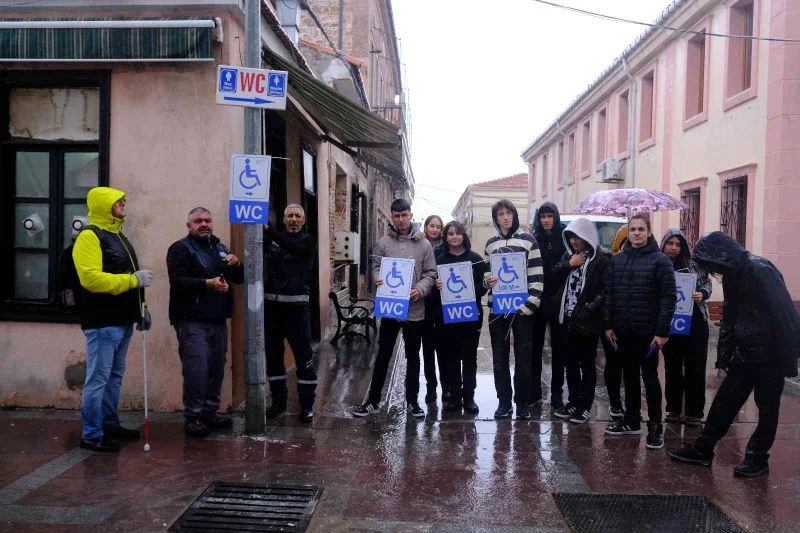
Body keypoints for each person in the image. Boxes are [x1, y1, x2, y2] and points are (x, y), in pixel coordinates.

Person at [667, 232, 800, 477]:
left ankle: (758, 458)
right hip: (746, 353)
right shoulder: (733, 273)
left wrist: (790, 357)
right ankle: (703, 450)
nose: (714, 271)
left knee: (767, 407)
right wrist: (725, 355)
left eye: (713, 265)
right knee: (725, 402)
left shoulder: (760, 270)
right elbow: (730, 316)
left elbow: (785, 316)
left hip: (770, 356)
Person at [72, 187, 152, 452]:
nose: (123, 204)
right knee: (98, 379)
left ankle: (109, 424)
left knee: (114, 377)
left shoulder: (118, 235)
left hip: (123, 319)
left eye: (124, 201)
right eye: (118, 201)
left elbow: (130, 275)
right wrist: (133, 280)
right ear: (104, 204)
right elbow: (91, 278)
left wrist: (142, 307)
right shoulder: (90, 236)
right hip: (102, 321)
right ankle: (92, 435)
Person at [353, 199, 437, 418]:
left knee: (413, 357)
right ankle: (373, 400)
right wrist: (377, 277)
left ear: (410, 215)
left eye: (404, 215)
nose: (401, 220)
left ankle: (412, 402)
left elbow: (430, 273)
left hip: (415, 310)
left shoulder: (424, 245)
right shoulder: (383, 243)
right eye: (397, 216)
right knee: (383, 354)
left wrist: (420, 289)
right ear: (392, 216)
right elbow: (375, 267)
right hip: (390, 308)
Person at [167, 207, 244, 438]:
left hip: (218, 319)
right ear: (189, 225)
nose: (204, 224)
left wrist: (236, 263)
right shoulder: (180, 248)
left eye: (207, 220)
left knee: (216, 368)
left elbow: (238, 280)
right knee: (196, 369)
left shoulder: (219, 248)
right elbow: (178, 281)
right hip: (191, 320)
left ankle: (210, 412)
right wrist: (207, 284)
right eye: (198, 221)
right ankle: (194, 416)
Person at [603, 213, 676, 449]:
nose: (636, 233)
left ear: (649, 232)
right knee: (630, 377)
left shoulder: (660, 260)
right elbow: (609, 294)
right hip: (624, 331)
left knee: (651, 379)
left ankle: (655, 426)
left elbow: (668, 297)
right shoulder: (617, 260)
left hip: (648, 334)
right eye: (633, 229)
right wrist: (608, 325)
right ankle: (632, 420)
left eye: (641, 229)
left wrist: (662, 331)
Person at [484, 199, 544, 420]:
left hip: (522, 312)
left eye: (509, 213)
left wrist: (527, 307)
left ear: (514, 215)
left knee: (523, 359)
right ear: (496, 218)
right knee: (499, 358)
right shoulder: (490, 243)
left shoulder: (529, 240)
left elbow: (537, 277)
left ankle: (522, 403)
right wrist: (486, 281)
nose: (505, 217)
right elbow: (485, 273)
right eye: (501, 214)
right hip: (498, 310)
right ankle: (504, 402)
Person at [551, 218, 609, 424]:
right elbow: (553, 277)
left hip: (587, 321)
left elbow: (604, 290)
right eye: (571, 237)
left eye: (578, 237)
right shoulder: (569, 256)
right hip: (566, 319)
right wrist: (569, 264)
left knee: (587, 364)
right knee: (570, 364)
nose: (574, 241)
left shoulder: (601, 261)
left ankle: (585, 405)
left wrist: (589, 309)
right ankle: (574, 401)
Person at [263, 204, 318, 423]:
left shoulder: (307, 241)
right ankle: (278, 403)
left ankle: (306, 406)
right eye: (290, 216)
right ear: (284, 219)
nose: (293, 219)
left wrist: (269, 231)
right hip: (272, 310)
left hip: (297, 311)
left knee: (304, 359)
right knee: (273, 358)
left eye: (298, 216)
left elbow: (295, 248)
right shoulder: (274, 240)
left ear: (303, 221)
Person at [435, 221, 488, 413]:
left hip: (470, 316)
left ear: (464, 236)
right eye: (450, 234)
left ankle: (469, 398)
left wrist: (477, 288)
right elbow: (435, 291)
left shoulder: (476, 259)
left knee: (470, 358)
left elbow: (483, 287)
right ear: (446, 238)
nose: (454, 237)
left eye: (458, 233)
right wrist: (437, 286)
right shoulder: (440, 260)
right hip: (448, 317)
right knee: (451, 358)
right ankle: (455, 397)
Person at [660, 228, 711, 427]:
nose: (673, 248)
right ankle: (673, 408)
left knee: (696, 368)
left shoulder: (694, 264)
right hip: (670, 323)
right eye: (670, 243)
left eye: (678, 244)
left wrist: (702, 294)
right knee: (672, 368)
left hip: (696, 321)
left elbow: (707, 283)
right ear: (663, 244)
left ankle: (694, 411)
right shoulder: (658, 264)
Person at [530, 202, 568, 411]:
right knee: (535, 348)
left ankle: (556, 394)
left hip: (559, 300)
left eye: (549, 216)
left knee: (560, 349)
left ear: (555, 217)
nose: (546, 220)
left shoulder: (565, 237)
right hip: (538, 300)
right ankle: (534, 392)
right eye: (543, 216)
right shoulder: (533, 238)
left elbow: (566, 267)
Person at [602, 224, 630, 420]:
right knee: (613, 364)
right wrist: (606, 324)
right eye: (624, 243)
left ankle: (631, 405)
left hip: (634, 324)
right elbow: (605, 295)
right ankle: (615, 404)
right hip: (612, 323)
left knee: (630, 367)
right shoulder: (610, 263)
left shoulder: (646, 262)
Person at [421, 215, 446, 404]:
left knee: (443, 350)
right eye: (432, 226)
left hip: (443, 304)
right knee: (428, 350)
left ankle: (446, 388)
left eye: (438, 226)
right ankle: (431, 387)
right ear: (426, 227)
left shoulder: (446, 247)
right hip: (424, 304)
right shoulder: (419, 245)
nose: (435, 229)